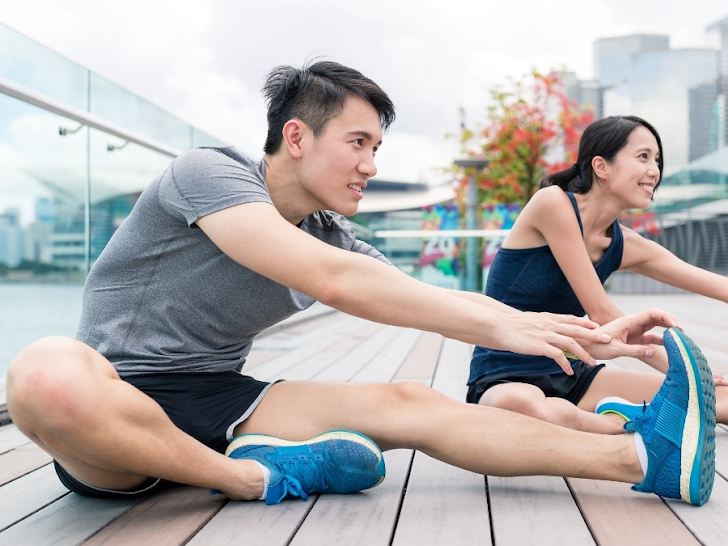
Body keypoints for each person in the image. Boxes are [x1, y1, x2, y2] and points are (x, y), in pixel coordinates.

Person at [5, 63, 716, 507]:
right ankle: (253, 478)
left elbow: (425, 296)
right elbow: (332, 281)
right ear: (295, 138)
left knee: (409, 400)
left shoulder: (332, 232)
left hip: (217, 396)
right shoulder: (207, 174)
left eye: (378, 147)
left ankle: (641, 457)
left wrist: (576, 333)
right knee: (43, 376)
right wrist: (506, 329)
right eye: (358, 143)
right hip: (112, 396)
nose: (371, 164)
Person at [467, 114, 728, 435]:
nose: (654, 171)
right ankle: (632, 430)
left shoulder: (624, 243)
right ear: (601, 167)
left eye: (657, 160)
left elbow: (714, 284)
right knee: (526, 408)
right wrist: (683, 371)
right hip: (505, 373)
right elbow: (602, 312)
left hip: (573, 372)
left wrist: (700, 382)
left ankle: (635, 419)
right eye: (643, 156)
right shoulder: (552, 203)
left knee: (721, 398)